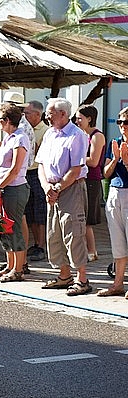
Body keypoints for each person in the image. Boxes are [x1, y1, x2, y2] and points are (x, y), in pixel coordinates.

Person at [37, 98, 91, 296]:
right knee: (54, 233)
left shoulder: (77, 135)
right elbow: (41, 163)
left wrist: (57, 188)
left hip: (70, 188)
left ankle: (82, 279)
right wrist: (47, 188)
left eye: (50, 113)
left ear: (63, 114)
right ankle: (64, 275)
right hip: (51, 189)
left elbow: (76, 169)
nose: (47, 116)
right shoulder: (50, 134)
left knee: (73, 232)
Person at [0, 104, 30, 282]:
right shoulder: (8, 138)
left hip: (15, 188)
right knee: (4, 228)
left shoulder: (20, 138)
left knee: (15, 228)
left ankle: (18, 269)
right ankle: (10, 265)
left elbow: (15, 168)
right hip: (4, 188)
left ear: (6, 121)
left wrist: (0, 186)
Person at [97, 107, 128, 298]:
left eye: (126, 122)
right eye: (119, 122)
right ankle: (118, 284)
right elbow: (106, 173)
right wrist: (116, 158)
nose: (122, 126)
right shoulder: (114, 143)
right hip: (115, 192)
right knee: (117, 241)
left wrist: (126, 161)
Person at [74, 104, 105, 263]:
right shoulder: (82, 135)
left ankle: (92, 251)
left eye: (80, 118)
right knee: (81, 217)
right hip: (81, 178)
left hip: (92, 180)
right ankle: (86, 250)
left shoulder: (97, 136)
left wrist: (73, 159)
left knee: (87, 219)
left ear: (90, 119)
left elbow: (93, 161)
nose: (77, 121)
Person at [23, 100, 48, 262]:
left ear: (38, 115)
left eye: (27, 113)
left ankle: (41, 245)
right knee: (29, 211)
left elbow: (41, 154)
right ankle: (35, 243)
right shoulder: (24, 129)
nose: (25, 116)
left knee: (40, 211)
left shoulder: (46, 131)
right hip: (26, 172)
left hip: (38, 173)